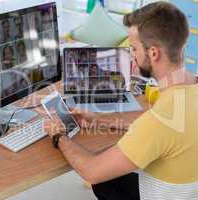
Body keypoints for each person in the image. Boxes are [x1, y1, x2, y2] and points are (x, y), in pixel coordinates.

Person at [44, 2, 198, 200]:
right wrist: (99, 119)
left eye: (133, 48)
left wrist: (60, 136)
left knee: (101, 180)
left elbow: (91, 171)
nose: (131, 56)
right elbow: (155, 123)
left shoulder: (160, 120)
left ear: (153, 53)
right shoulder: (186, 92)